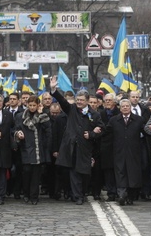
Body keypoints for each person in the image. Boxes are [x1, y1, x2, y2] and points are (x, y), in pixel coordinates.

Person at [49, 76, 103, 205]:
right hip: (72, 147)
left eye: (81, 100)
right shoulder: (71, 109)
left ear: (87, 101)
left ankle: (82, 192)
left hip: (86, 148)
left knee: (84, 173)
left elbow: (101, 128)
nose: (78, 102)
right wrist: (53, 89)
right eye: (77, 100)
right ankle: (77, 195)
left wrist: (91, 134)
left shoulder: (94, 114)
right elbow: (62, 101)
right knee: (74, 172)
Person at [106, 99, 148, 205]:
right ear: (120, 108)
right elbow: (107, 134)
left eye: (127, 106)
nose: (125, 108)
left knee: (132, 174)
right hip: (119, 151)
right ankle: (121, 194)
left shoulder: (138, 120)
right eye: (123, 106)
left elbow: (146, 133)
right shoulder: (114, 120)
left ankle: (131, 196)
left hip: (134, 151)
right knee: (120, 172)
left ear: (130, 107)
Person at [14, 95, 52, 204]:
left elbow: (48, 129)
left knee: (36, 174)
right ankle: (26, 193)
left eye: (34, 105)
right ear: (26, 105)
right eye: (30, 105)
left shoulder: (42, 116)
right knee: (26, 172)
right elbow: (16, 129)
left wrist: (41, 115)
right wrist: (18, 134)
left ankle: (34, 196)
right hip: (25, 147)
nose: (31, 107)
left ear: (38, 105)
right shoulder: (20, 116)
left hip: (38, 148)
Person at [99, 93, 120, 202]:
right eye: (106, 100)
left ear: (114, 102)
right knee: (107, 171)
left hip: (117, 145)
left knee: (117, 170)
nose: (107, 102)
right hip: (105, 145)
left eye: (109, 100)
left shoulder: (119, 113)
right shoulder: (101, 113)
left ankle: (118, 191)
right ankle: (110, 192)